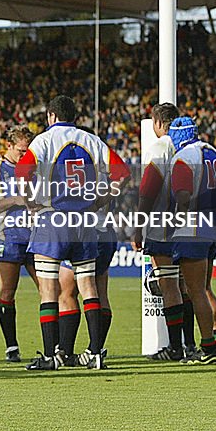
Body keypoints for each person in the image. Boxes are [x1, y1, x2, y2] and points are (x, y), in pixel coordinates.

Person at [15, 95, 113, 371]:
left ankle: (51, 356)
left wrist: (29, 202)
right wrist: (98, 201)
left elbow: (23, 171)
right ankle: (95, 353)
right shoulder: (92, 140)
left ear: (51, 116)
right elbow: (122, 173)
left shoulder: (44, 140)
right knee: (89, 287)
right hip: (85, 221)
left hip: (52, 219)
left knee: (49, 290)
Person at [167, 117, 216, 366]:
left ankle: (208, 347)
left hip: (193, 227)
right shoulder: (213, 152)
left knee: (194, 290)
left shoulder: (183, 158)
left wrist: (175, 220)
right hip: (214, 225)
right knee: (206, 287)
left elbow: (183, 196)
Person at [57, 139, 130, 365]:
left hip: (82, 232)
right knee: (100, 292)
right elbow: (124, 177)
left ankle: (66, 352)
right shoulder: (105, 171)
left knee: (67, 292)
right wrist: (103, 201)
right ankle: (94, 350)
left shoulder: (74, 170)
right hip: (106, 233)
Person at [133, 103, 188, 361]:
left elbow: (148, 190)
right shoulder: (187, 146)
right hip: (189, 225)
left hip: (163, 224)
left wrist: (138, 228)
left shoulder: (159, 147)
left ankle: (175, 347)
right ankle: (191, 344)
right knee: (187, 286)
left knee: (168, 285)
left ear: (157, 123)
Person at [0, 125, 38, 363]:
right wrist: (16, 199)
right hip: (8, 235)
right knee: (7, 291)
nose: (25, 156)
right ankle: (11, 346)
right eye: (21, 151)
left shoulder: (34, 168)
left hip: (35, 236)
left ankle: (55, 346)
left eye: (27, 151)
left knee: (50, 290)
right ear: (9, 146)